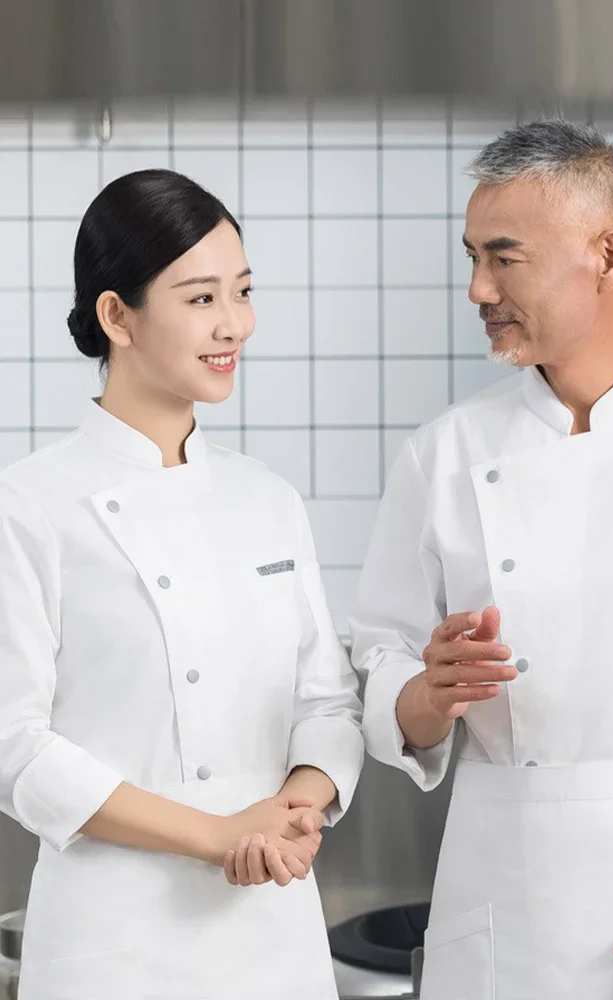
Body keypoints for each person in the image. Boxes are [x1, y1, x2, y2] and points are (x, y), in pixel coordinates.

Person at [350, 120, 613, 1000]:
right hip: (502, 906)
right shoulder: (443, 455)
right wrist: (427, 693)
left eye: (503, 258)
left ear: (607, 257)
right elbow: (379, 662)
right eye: (471, 257)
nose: (476, 288)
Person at [0, 168, 363, 1000]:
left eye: (242, 291)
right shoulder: (28, 505)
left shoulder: (268, 498)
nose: (232, 324)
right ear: (115, 315)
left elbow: (327, 703)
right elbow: (14, 746)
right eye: (200, 299)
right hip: (116, 936)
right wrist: (213, 835)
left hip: (273, 921)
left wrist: (301, 807)